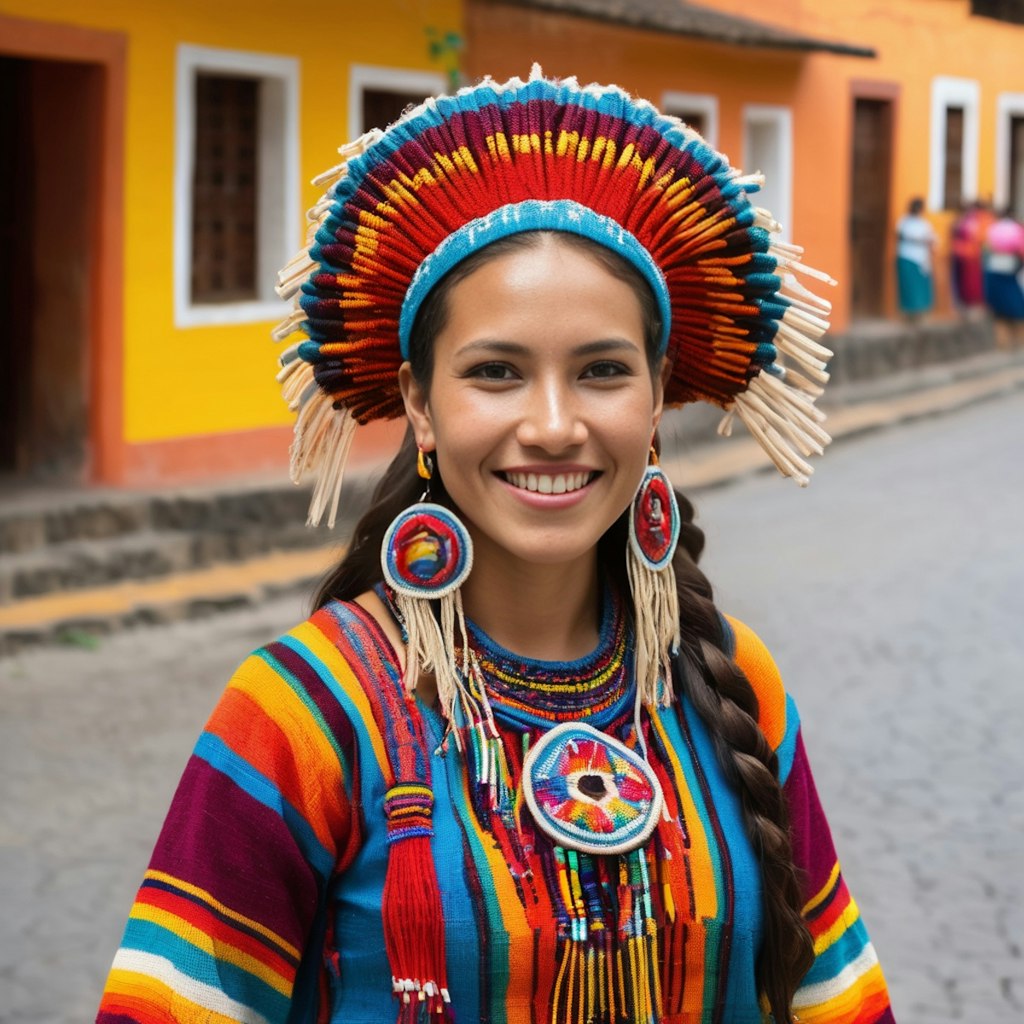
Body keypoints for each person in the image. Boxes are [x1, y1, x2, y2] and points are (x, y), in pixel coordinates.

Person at [96, 70, 896, 1024]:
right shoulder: (302, 716)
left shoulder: (734, 682)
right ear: (422, 405)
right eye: (496, 373)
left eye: (602, 370)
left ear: (657, 395)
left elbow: (839, 1001)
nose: (554, 426)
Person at [983, 207, 1024, 348]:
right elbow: (1021, 249)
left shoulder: (993, 228)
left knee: (999, 308)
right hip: (1012, 268)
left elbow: (987, 247)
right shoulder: (1017, 229)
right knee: (1017, 305)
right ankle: (1018, 341)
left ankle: (1002, 343)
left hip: (994, 267)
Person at [895, 196, 936, 323]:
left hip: (920, 259)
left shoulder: (924, 224)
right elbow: (900, 235)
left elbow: (931, 240)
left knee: (920, 287)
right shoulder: (904, 222)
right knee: (908, 287)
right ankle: (908, 315)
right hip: (907, 258)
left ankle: (919, 315)